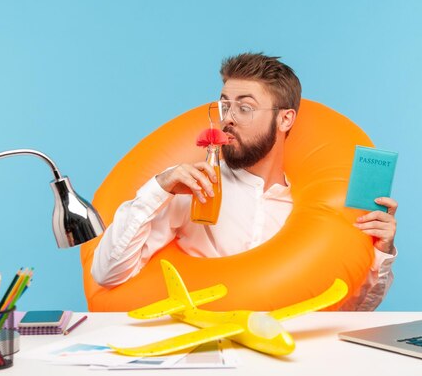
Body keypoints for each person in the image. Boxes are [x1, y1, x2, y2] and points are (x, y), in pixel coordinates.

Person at [91, 53, 398, 310]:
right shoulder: (194, 188)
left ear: (285, 119)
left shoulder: (309, 212)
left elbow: (353, 310)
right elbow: (107, 273)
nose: (229, 118)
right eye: (225, 105)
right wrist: (159, 187)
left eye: (245, 107)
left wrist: (380, 251)